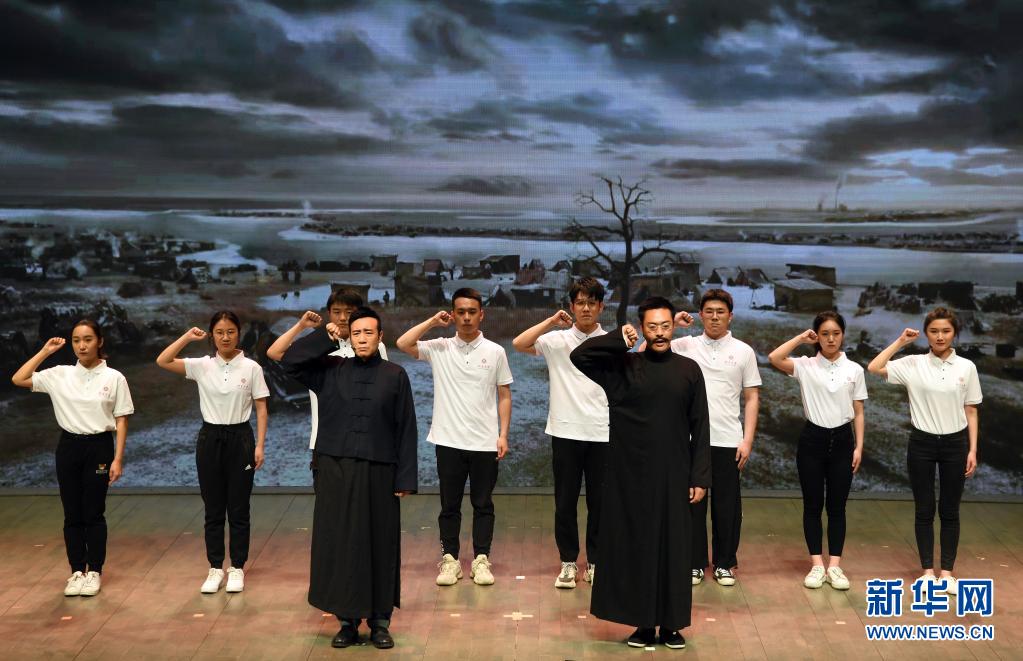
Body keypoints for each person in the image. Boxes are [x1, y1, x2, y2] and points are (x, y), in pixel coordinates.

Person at [571, 296, 710, 650]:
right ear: (642, 328)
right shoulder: (624, 367)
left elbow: (701, 425)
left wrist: (699, 476)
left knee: (674, 550)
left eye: (665, 326)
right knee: (638, 547)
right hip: (629, 475)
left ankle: (672, 625)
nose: (660, 333)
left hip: (675, 474)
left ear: (673, 327)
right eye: (652, 327)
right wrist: (619, 338)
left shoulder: (689, 370)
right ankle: (644, 624)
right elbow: (580, 356)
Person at [281, 307, 417, 650]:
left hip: (379, 472)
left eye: (368, 332)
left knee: (380, 544)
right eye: (356, 333)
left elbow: (406, 428)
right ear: (349, 337)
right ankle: (346, 622)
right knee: (340, 545)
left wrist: (405, 478)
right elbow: (290, 361)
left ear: (380, 336)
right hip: (336, 470)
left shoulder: (395, 374)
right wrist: (325, 337)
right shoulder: (330, 369)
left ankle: (380, 622)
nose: (362, 338)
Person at [396, 288, 512, 587]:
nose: (466, 317)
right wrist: (432, 322)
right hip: (448, 441)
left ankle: (481, 559)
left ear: (481, 314)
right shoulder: (440, 347)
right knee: (449, 505)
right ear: (453, 314)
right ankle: (450, 560)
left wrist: (503, 434)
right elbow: (403, 343)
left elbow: (504, 395)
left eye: (472, 311)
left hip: (485, 442)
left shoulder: (495, 352)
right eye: (460, 312)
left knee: (483, 504)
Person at [12, 319, 133, 597]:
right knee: (72, 513)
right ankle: (77, 571)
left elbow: (122, 420)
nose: (82, 345)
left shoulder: (114, 377)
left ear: (99, 341)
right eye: (77, 340)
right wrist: (45, 352)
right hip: (68, 447)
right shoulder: (60, 374)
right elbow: (18, 379)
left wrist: (118, 458)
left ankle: (95, 571)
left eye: (88, 339)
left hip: (99, 446)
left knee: (94, 512)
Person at [868, 307, 981, 595]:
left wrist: (972, 450)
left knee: (950, 510)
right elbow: (874, 367)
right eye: (934, 331)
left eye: (946, 331)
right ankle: (928, 572)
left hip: (955, 444)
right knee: (925, 509)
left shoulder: (966, 367)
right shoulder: (913, 363)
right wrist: (900, 342)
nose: (940, 336)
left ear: (954, 333)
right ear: (926, 334)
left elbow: (971, 410)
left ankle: (947, 574)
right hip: (922, 443)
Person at [156, 311, 269, 594]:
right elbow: (163, 361)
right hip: (210, 439)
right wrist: (186, 337)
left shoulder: (252, 368)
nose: (225, 337)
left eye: (230, 331)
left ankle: (237, 567)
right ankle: (215, 567)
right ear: (212, 335)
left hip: (241, 438)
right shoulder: (202, 365)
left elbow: (261, 408)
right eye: (219, 332)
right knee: (213, 509)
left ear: (238, 333)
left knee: (239, 509)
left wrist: (259, 445)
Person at [657, 289, 760, 588]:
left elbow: (752, 397)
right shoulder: (685, 345)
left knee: (727, 506)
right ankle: (694, 563)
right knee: (692, 504)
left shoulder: (743, 351)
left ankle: (725, 563)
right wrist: (673, 324)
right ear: (700, 315)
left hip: (728, 439)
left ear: (730, 316)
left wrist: (747, 440)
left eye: (721, 312)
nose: (715, 317)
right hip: (691, 440)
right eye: (709, 312)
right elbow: (644, 353)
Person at [512, 277, 608, 589]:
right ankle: (568, 562)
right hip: (565, 432)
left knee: (600, 503)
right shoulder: (557, 341)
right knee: (565, 502)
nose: (586, 308)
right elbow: (519, 343)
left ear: (601, 306)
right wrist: (552, 321)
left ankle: (595, 562)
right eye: (580, 302)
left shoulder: (611, 342)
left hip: (602, 433)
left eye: (591, 302)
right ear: (571, 306)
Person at [768, 311, 866, 590]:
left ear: (843, 335)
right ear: (817, 337)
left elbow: (859, 411)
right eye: (824, 334)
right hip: (812, 440)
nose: (831, 339)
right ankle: (816, 565)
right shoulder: (806, 365)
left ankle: (834, 566)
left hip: (843, 441)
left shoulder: (854, 370)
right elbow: (774, 358)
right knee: (812, 505)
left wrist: (859, 446)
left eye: (836, 333)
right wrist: (801, 339)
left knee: (837, 506)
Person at [266, 288, 388, 458]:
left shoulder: (375, 347)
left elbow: (381, 390)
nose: (343, 318)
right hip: (326, 440)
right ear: (329, 314)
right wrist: (301, 326)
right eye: (337, 312)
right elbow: (274, 353)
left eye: (349, 312)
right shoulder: (317, 347)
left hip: (366, 438)